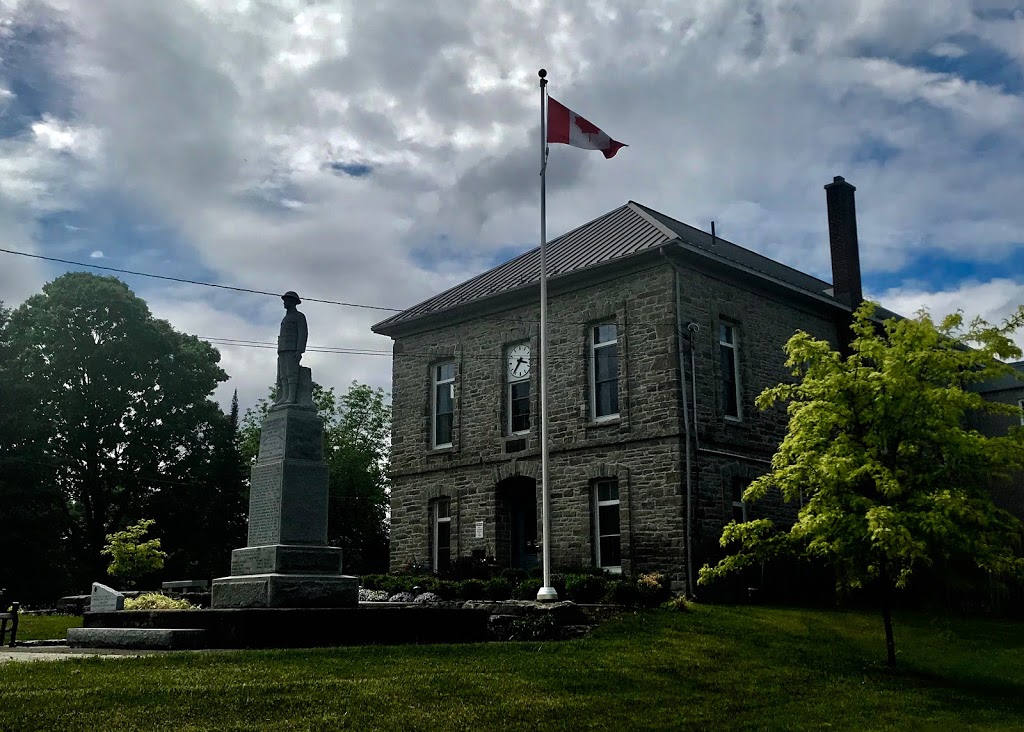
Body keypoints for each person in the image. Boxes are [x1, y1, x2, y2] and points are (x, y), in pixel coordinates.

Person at [274, 291, 307, 405]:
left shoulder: (299, 316)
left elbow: (303, 334)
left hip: (292, 349)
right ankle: (285, 396)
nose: (284, 303)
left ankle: (291, 397)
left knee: (292, 374)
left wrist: (299, 350)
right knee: (283, 375)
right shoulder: (285, 318)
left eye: (287, 300)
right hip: (283, 349)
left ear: (293, 302)